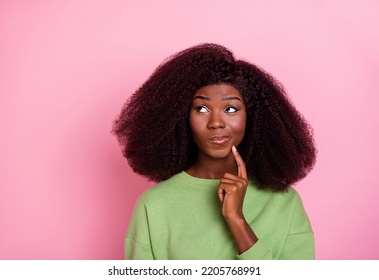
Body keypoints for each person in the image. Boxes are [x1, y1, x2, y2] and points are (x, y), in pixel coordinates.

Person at [112, 43, 317, 260]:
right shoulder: (154, 206)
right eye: (201, 108)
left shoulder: (284, 204)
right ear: (181, 116)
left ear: (252, 117)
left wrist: (236, 220)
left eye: (231, 109)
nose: (216, 122)